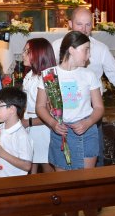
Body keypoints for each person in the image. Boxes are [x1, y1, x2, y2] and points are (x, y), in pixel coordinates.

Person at [51, 7, 115, 167]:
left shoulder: (99, 48)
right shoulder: (57, 47)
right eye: (79, 24)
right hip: (62, 110)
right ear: (70, 24)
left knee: (92, 156)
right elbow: (47, 78)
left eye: (88, 25)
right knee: (62, 160)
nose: (84, 29)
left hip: (91, 111)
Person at [37, 31, 104, 173]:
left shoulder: (89, 75)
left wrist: (88, 122)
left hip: (86, 130)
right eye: (86, 50)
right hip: (61, 131)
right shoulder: (49, 74)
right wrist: (53, 123)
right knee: (63, 182)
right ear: (72, 49)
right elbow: (40, 106)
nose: (89, 55)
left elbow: (99, 107)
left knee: (85, 180)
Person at [0, 87, 33, 216]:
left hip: (15, 189)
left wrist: (2, 153)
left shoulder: (21, 135)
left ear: (12, 109)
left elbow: (27, 165)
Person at [20, 38, 56, 174]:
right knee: (31, 166)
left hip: (43, 131)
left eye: (27, 51)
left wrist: (27, 122)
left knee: (48, 169)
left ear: (39, 54)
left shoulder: (46, 79)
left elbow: (52, 114)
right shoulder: (29, 75)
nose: (23, 54)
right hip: (30, 130)